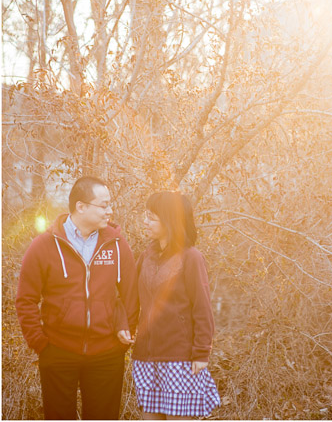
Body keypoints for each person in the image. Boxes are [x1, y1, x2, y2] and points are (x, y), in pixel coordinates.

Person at [16, 176, 139, 420]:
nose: (110, 211)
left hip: (107, 353)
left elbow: (130, 294)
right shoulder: (43, 246)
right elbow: (25, 299)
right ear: (81, 207)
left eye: (109, 204)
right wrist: (40, 343)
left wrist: (125, 331)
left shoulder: (116, 245)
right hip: (58, 352)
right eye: (103, 205)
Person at [123, 190, 220, 419]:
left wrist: (201, 353)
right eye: (145, 215)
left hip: (180, 359)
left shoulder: (191, 258)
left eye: (151, 217)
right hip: (145, 358)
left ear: (169, 221)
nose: (144, 222)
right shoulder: (146, 256)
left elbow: (202, 309)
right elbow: (131, 301)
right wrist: (124, 328)